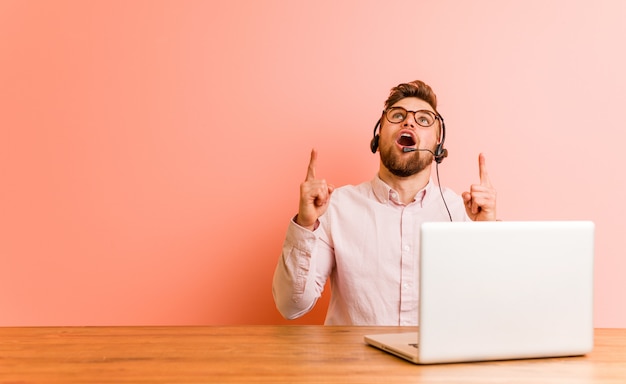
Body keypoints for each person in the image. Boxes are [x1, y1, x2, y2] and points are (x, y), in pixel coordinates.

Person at [272, 80, 497, 326]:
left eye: (423, 120)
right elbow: (290, 306)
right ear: (378, 136)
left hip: (436, 364)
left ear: (437, 144)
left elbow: (492, 311)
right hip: (357, 363)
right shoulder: (335, 207)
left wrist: (486, 231)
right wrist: (305, 224)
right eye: (397, 115)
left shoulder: (463, 213)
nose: (408, 122)